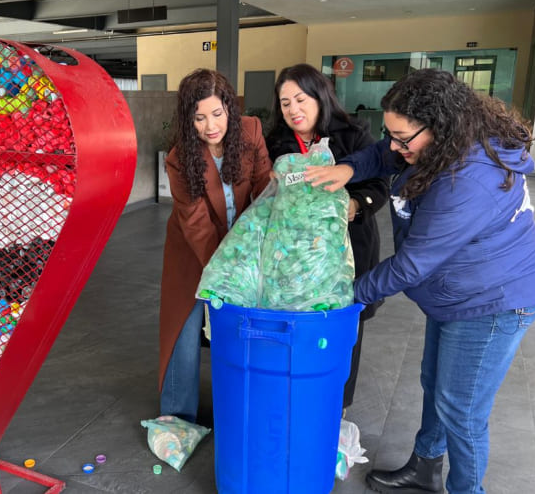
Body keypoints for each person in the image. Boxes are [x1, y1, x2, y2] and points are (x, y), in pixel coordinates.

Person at [305, 68, 535, 494]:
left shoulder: (471, 180)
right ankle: (424, 468)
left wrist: (343, 297)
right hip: (456, 289)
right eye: (392, 134)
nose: (396, 147)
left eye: (405, 138)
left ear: (441, 126)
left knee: (462, 410)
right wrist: (347, 170)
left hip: (495, 298)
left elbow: (410, 265)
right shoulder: (435, 145)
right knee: (435, 382)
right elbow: (384, 154)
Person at [265, 63, 388, 411]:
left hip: (347, 253)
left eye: (301, 99)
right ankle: (296, 400)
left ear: (320, 97)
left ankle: (334, 409)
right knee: (297, 325)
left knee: (342, 328)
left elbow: (379, 184)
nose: (293, 109)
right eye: (285, 102)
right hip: (294, 257)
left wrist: (354, 204)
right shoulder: (277, 144)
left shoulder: (353, 136)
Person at [159, 69, 272, 423]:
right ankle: (178, 419)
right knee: (184, 327)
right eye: (199, 118)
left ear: (229, 109)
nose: (210, 126)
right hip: (192, 249)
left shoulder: (250, 131)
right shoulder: (180, 158)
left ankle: (243, 406)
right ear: (188, 119)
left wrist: (259, 247)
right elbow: (196, 223)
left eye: (217, 114)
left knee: (244, 323)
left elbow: (265, 186)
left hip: (243, 243)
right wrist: (227, 275)